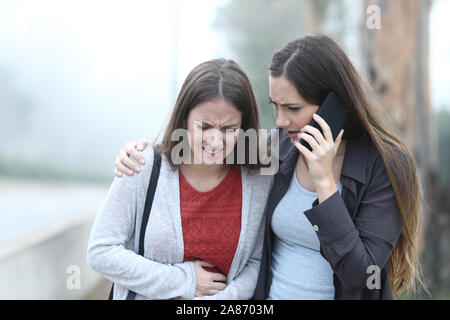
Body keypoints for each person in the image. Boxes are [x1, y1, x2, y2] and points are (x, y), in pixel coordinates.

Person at [114, 34, 425, 299]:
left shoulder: (386, 164)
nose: (280, 121)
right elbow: (203, 149)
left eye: (293, 108)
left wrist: (325, 184)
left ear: (337, 104)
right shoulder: (279, 145)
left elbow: (362, 274)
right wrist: (142, 153)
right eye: (274, 106)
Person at [87, 58, 272, 300]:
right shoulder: (142, 165)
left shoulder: (257, 180)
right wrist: (184, 281)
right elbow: (101, 252)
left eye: (229, 129)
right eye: (204, 127)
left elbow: (256, 260)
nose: (215, 141)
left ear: (244, 126)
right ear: (184, 119)